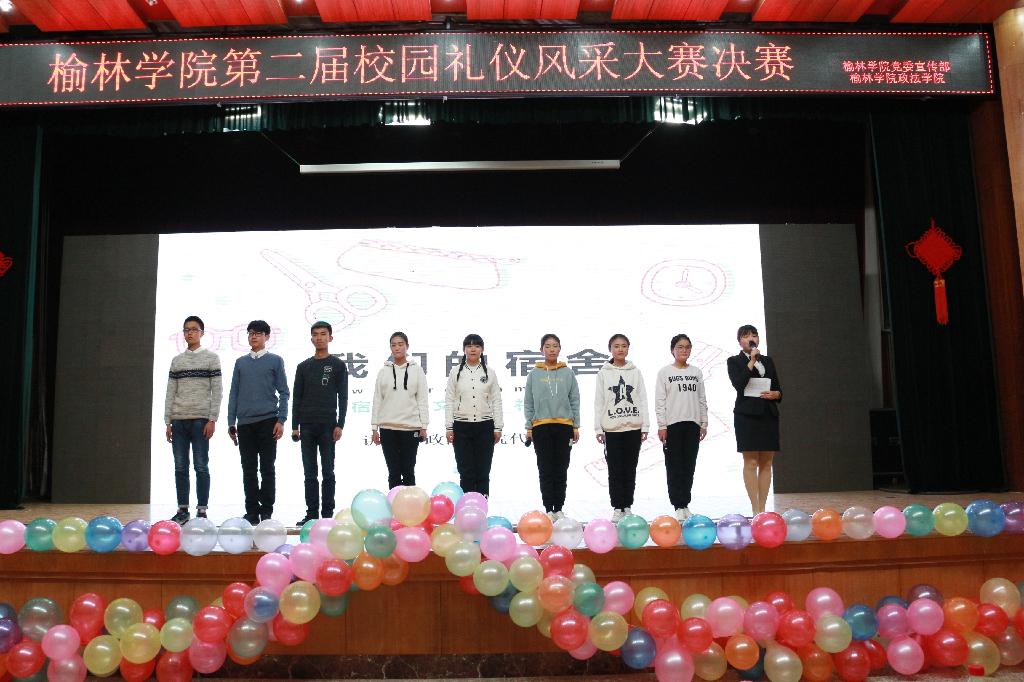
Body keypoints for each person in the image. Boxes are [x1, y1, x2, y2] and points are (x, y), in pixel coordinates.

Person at [227, 320, 290, 525]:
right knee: (248, 469)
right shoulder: (240, 363)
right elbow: (234, 393)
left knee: (267, 468)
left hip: (268, 421)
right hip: (244, 423)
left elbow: (284, 392)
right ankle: (252, 511)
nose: (254, 336)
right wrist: (231, 421)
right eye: (251, 333)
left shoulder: (275, 361)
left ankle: (267, 511)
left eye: (258, 333)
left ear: (267, 337)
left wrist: (281, 419)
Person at [163, 315, 222, 524]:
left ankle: (202, 510)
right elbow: (170, 392)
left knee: (201, 466)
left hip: (200, 420)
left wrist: (212, 419)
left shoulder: (211, 358)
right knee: (180, 467)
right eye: (187, 330)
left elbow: (217, 391)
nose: (190, 333)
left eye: (194, 329)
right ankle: (183, 510)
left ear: (202, 333)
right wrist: (168, 421)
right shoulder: (177, 361)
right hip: (179, 420)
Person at [291, 321, 348, 527]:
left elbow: (343, 397)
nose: (319, 338)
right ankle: (312, 513)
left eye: (323, 334)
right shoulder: (303, 367)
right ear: (311, 339)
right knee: (309, 472)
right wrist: (294, 426)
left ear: (330, 338)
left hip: (328, 425)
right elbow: (297, 398)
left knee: (328, 471)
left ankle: (327, 514)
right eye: (315, 334)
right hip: (306, 425)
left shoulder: (338, 365)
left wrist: (340, 424)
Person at [726, 324, 782, 515]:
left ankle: (763, 508)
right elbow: (739, 384)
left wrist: (776, 394)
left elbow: (778, 389)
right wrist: (751, 361)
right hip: (747, 417)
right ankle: (755, 509)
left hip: (768, 414)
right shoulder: (734, 361)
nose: (751, 338)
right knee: (750, 463)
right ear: (739, 341)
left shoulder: (768, 360)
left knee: (767, 462)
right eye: (746, 336)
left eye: (754, 335)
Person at [524, 333, 580, 521]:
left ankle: (559, 507)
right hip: (541, 427)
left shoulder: (568, 373)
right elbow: (528, 402)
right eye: (547, 346)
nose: (551, 349)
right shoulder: (534, 374)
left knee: (561, 469)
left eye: (555, 346)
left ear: (560, 349)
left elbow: (574, 400)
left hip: (564, 426)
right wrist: (529, 427)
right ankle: (549, 508)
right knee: (545, 468)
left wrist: (575, 425)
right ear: (541, 350)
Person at [593, 333, 649, 523]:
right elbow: (599, 402)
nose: (620, 349)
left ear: (628, 348)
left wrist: (645, 425)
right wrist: (598, 429)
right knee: (615, 470)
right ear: (610, 349)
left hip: (633, 428)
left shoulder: (635, 372)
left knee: (630, 469)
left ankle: (627, 506)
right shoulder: (603, 373)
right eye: (616, 346)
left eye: (624, 346)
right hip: (612, 430)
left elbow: (642, 399)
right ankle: (617, 507)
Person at [655, 333, 708, 522]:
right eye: (680, 347)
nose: (684, 350)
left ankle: (686, 504)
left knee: (689, 466)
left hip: (693, 424)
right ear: (673, 350)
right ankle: (677, 505)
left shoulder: (696, 372)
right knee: (674, 466)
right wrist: (662, 425)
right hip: (673, 425)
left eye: (687, 347)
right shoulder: (665, 372)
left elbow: (701, 399)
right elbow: (660, 401)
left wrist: (703, 423)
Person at [445, 334, 503, 496]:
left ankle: (482, 506)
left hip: (485, 426)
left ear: (482, 349)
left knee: (483, 471)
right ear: (464, 349)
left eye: (477, 346)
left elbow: (496, 400)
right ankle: (467, 506)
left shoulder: (490, 372)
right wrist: (449, 427)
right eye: (469, 346)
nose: (473, 349)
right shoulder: (455, 372)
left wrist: (498, 427)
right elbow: (449, 400)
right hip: (461, 426)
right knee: (466, 472)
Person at [371, 331, 428, 489]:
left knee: (408, 471)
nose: (397, 348)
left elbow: (422, 399)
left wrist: (424, 426)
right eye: (393, 345)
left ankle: (412, 505)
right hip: (388, 428)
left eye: (400, 344)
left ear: (407, 346)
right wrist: (374, 428)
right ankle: (394, 504)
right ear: (390, 348)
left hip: (410, 427)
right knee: (393, 472)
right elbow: (377, 400)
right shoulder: (383, 371)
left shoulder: (417, 370)